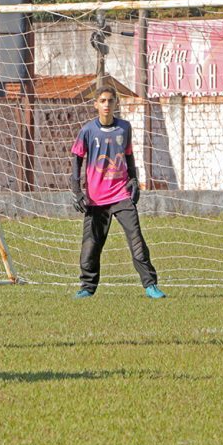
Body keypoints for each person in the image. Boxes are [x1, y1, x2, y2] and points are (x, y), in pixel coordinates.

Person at [69, 85, 165, 299]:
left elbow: (129, 155)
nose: (106, 104)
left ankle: (150, 285)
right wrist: (77, 192)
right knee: (91, 245)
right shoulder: (87, 131)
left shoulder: (124, 128)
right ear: (95, 104)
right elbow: (76, 160)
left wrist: (134, 179)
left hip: (121, 195)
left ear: (115, 103)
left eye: (110, 100)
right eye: (102, 100)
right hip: (95, 198)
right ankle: (87, 287)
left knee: (137, 240)